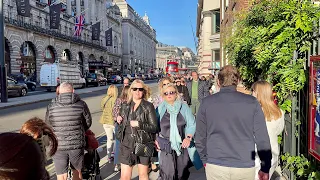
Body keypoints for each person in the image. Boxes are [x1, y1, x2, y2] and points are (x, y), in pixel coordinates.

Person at [195, 65, 272, 180]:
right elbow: (262, 138)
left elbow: (200, 137)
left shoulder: (206, 103)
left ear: (218, 82)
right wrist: (265, 167)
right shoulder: (252, 103)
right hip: (243, 164)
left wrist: (204, 159)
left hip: (216, 163)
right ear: (238, 81)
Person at [45, 82, 92, 180]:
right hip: (76, 145)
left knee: (61, 174)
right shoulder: (81, 104)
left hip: (58, 145)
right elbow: (88, 123)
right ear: (73, 91)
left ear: (59, 92)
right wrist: (79, 130)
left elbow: (48, 125)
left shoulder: (51, 106)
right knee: (77, 171)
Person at [156, 83, 203, 179]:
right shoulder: (160, 109)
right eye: (166, 93)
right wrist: (155, 139)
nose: (169, 95)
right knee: (167, 174)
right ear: (163, 96)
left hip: (182, 146)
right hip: (165, 147)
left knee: (181, 175)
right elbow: (155, 126)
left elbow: (192, 123)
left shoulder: (184, 107)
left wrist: (188, 137)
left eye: (171, 92)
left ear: (176, 94)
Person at [116, 79, 158, 180]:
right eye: (135, 89)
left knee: (143, 175)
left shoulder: (148, 106)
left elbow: (154, 127)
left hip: (143, 143)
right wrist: (118, 120)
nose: (137, 91)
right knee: (124, 177)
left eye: (140, 89)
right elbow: (121, 126)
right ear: (131, 90)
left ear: (143, 91)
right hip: (127, 143)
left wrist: (139, 124)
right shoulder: (125, 105)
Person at [252, 81, 285, 179]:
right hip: (272, 154)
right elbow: (279, 130)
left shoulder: (254, 112)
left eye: (253, 91)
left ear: (259, 93)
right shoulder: (279, 112)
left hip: (256, 156)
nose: (252, 93)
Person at [112, 86, 130, 172]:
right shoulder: (122, 101)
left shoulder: (119, 100)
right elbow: (115, 112)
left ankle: (118, 164)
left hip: (120, 125)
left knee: (119, 144)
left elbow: (114, 112)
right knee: (120, 144)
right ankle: (119, 163)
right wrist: (117, 116)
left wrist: (116, 116)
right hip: (122, 125)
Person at [100, 85, 118, 162]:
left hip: (105, 121)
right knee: (117, 139)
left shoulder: (104, 99)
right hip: (113, 122)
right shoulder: (116, 100)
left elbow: (102, 108)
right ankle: (115, 154)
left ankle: (109, 156)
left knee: (109, 139)